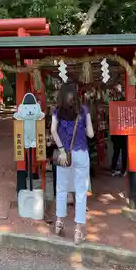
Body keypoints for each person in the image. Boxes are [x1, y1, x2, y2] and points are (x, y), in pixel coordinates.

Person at [51, 83, 94, 244]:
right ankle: (77, 231)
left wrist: (61, 149)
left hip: (65, 155)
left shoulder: (57, 111)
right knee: (81, 191)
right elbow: (90, 134)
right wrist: (87, 126)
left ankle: (59, 223)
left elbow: (53, 130)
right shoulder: (83, 110)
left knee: (61, 189)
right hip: (81, 153)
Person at [110, 84, 127, 176]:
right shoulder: (125, 105)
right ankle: (123, 170)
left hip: (116, 132)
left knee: (116, 151)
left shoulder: (114, 105)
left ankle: (113, 169)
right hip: (123, 131)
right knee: (123, 151)